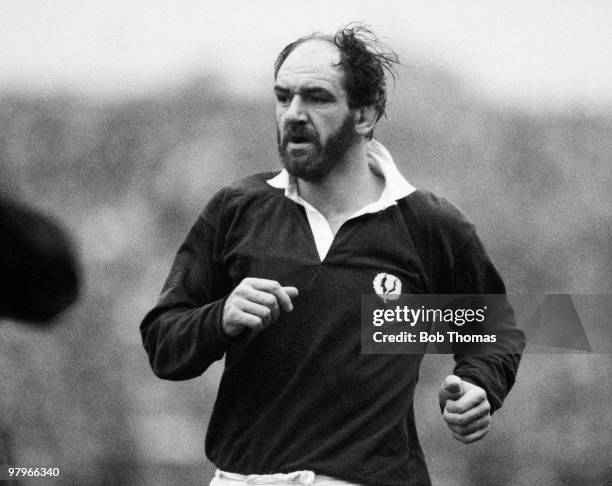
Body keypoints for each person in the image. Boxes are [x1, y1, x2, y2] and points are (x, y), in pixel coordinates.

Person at [140, 24, 525, 486]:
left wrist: (480, 384)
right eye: (283, 97)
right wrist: (219, 318)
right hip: (243, 477)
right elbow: (163, 344)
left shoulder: (427, 224)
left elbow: (493, 327)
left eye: (317, 98)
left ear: (364, 115)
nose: (293, 114)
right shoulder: (236, 209)